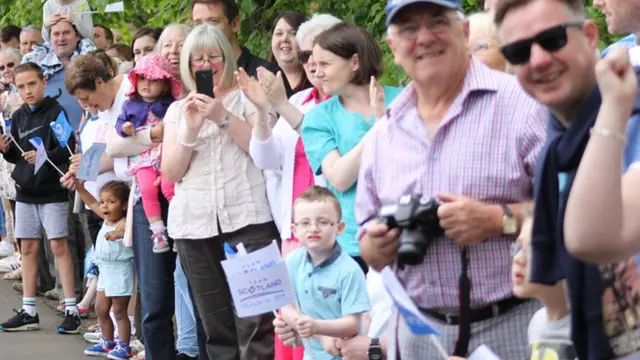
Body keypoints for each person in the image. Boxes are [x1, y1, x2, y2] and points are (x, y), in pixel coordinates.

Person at [356, 0, 548, 358]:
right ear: (393, 48)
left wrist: (498, 219)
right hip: (419, 335)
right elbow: (366, 232)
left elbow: (572, 209)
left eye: (437, 22)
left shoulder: (522, 104)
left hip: (513, 325)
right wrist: (376, 246)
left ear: (465, 32)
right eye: (409, 29)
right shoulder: (384, 133)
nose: (424, 37)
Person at [495, 0, 640, 358]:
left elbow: (590, 237)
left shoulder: (625, 103)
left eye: (553, 38)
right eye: (519, 51)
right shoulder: (557, 146)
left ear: (590, 35)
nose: (539, 59)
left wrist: (614, 110)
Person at [161, 23, 279, 360]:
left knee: (259, 323)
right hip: (194, 226)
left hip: (250, 219)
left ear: (226, 57)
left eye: (214, 55)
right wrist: (191, 129)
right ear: (186, 65)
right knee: (216, 327)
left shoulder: (250, 98)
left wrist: (222, 116)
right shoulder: (176, 110)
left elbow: (262, 151)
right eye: (197, 58)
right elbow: (172, 172)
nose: (206, 64)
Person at [249, 14, 342, 360]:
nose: (313, 66)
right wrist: (262, 111)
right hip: (293, 228)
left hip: (334, 230)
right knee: (290, 327)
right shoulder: (301, 100)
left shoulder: (354, 105)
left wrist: (280, 106)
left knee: (326, 328)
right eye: (307, 58)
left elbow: (330, 154)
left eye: (322, 57)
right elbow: (266, 158)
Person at [301, 22, 403, 273]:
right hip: (355, 243)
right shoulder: (318, 118)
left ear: (354, 62)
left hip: (408, 231)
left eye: (325, 64)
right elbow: (339, 177)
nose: (317, 72)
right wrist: (378, 130)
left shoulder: (405, 99)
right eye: (314, 64)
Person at [0, 62, 79, 333]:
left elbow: (69, 148)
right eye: (21, 86)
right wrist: (5, 150)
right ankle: (29, 310)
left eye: (32, 84)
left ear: (43, 82)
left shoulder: (56, 112)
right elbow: (18, 154)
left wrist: (44, 155)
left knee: (59, 246)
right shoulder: (19, 116)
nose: (27, 90)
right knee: (29, 248)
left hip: (52, 190)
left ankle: (71, 309)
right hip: (25, 191)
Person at [447, 215, 575, 360]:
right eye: (518, 247)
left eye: (533, 249)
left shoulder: (587, 326)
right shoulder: (538, 323)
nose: (518, 258)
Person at [281, 186, 371, 359]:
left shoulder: (349, 270)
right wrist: (318, 334)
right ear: (295, 230)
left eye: (322, 222)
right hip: (311, 355)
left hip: (344, 354)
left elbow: (352, 323)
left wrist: (316, 326)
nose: (313, 228)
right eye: (305, 223)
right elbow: (287, 308)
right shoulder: (291, 262)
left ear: (340, 227)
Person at [115, 54, 181, 253]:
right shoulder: (129, 105)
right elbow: (119, 124)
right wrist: (125, 127)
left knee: (170, 188)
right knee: (147, 190)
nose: (147, 84)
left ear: (165, 84)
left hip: (167, 154)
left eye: (153, 80)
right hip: (143, 158)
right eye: (142, 78)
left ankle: (179, 229)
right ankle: (158, 232)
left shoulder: (171, 104)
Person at [73, 180, 132, 359]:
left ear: (124, 206)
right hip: (104, 270)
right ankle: (108, 342)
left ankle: (124, 345)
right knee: (100, 308)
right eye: (103, 201)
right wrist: (80, 188)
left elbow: (125, 231)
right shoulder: (106, 219)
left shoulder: (123, 222)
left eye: (111, 201)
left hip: (120, 270)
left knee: (119, 311)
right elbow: (91, 202)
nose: (105, 205)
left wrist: (117, 234)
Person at [190, 0, 294, 97]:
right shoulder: (195, 75)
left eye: (213, 22)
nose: (205, 29)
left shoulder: (265, 74)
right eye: (198, 23)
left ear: (235, 24)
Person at [268, 11, 312, 94]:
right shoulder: (261, 83)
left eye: (293, 33)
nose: (284, 39)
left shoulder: (319, 85)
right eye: (279, 33)